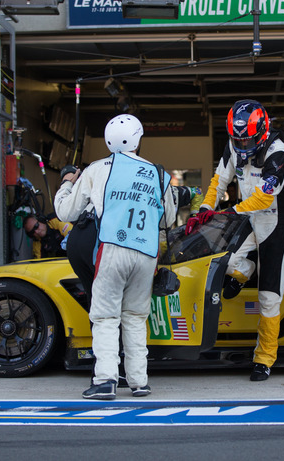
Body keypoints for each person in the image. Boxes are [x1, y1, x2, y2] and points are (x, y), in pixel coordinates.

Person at [53, 114, 176, 400]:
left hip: (112, 248)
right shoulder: (158, 173)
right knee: (135, 316)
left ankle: (106, 380)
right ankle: (139, 382)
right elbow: (168, 218)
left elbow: (66, 213)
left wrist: (68, 183)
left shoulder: (96, 169)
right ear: (138, 139)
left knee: (106, 316)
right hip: (146, 253)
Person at [197, 99, 284, 381]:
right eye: (236, 140)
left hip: (274, 220)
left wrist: (230, 212)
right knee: (226, 262)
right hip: (247, 217)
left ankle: (264, 358)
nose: (241, 146)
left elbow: (264, 196)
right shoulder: (233, 145)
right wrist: (205, 209)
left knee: (269, 296)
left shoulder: (278, 153)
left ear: (262, 132)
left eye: (246, 140)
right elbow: (219, 181)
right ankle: (244, 272)